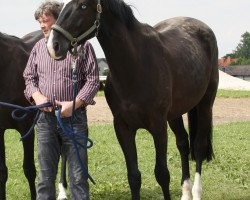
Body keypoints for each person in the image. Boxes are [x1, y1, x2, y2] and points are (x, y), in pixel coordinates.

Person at [23, 1, 100, 199]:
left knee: (77, 178)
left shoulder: (83, 47)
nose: (42, 26)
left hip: (74, 121)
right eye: (40, 22)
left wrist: (74, 104)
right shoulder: (38, 48)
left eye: (46, 21)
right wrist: (37, 96)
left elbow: (92, 81)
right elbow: (29, 77)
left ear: (60, 20)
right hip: (45, 121)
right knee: (45, 178)